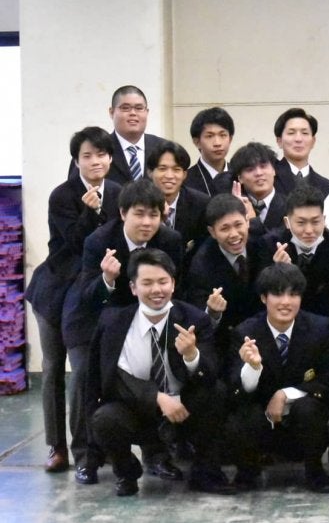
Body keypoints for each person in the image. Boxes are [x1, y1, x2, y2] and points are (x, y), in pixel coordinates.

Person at [61, 179, 184, 486]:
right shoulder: (99, 240)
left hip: (146, 320)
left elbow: (174, 289)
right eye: (139, 214)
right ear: (122, 213)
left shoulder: (169, 240)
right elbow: (88, 297)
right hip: (93, 321)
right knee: (84, 379)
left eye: (154, 215)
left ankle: (156, 455)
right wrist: (107, 279)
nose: (147, 222)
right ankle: (86, 457)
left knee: (154, 374)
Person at [86, 250, 232, 496]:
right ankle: (126, 472)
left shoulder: (194, 319)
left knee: (215, 392)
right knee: (105, 418)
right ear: (133, 288)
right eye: (147, 283)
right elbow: (113, 379)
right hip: (138, 410)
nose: (156, 289)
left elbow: (210, 374)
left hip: (184, 409)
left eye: (163, 282)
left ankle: (205, 472)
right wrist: (156, 397)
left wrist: (191, 355)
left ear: (173, 284)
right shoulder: (114, 322)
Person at [26, 126, 120, 473]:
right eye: (87, 156)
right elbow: (75, 244)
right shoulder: (62, 195)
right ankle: (57, 447)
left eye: (101, 154)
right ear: (76, 161)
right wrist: (88, 212)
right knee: (53, 368)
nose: (95, 161)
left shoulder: (118, 193)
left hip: (89, 294)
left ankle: (96, 445)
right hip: (55, 290)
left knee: (87, 371)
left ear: (110, 158)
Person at [227, 263, 329, 493]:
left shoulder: (320, 328)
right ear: (263, 298)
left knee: (311, 408)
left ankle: (315, 471)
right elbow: (236, 390)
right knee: (243, 415)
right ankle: (247, 471)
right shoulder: (245, 332)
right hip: (262, 420)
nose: (286, 302)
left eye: (293, 294)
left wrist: (285, 394)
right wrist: (253, 367)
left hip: (301, 418)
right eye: (277, 294)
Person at [184, 194, 274, 358]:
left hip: (265, 330)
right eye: (225, 228)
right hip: (227, 342)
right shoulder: (201, 265)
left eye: (238, 225)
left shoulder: (263, 241)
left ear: (248, 221)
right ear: (212, 232)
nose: (234, 234)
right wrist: (213, 312)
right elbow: (199, 323)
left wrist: (282, 267)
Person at [262, 184, 329, 334]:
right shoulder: (270, 245)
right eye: (301, 223)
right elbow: (262, 297)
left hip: (324, 328)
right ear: (287, 222)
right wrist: (278, 271)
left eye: (316, 222)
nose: (309, 230)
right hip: (281, 327)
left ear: (324, 219)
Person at [69, 85, 164, 185]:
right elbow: (73, 190)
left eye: (139, 108)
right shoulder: (93, 149)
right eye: (125, 108)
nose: (133, 113)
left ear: (147, 112)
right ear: (111, 112)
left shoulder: (163, 148)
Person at [146, 140, 210, 265]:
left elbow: (204, 250)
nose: (170, 176)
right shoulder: (139, 203)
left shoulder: (201, 204)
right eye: (162, 168)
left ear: (184, 174)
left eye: (176, 169)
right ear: (150, 172)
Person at [272, 107, 329, 198]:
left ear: (313, 141)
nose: (298, 139)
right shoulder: (268, 179)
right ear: (279, 141)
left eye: (305, 133)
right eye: (291, 133)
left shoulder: (328, 188)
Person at [224, 142, 285, 233]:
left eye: (263, 166)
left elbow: (276, 240)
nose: (259, 173)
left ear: (274, 170)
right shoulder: (230, 207)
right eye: (250, 169)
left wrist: (253, 221)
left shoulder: (290, 207)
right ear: (240, 178)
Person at [185, 106, 235, 196]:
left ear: (230, 139)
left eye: (222, 135)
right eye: (209, 136)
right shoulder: (185, 180)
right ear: (197, 142)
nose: (217, 143)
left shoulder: (240, 176)